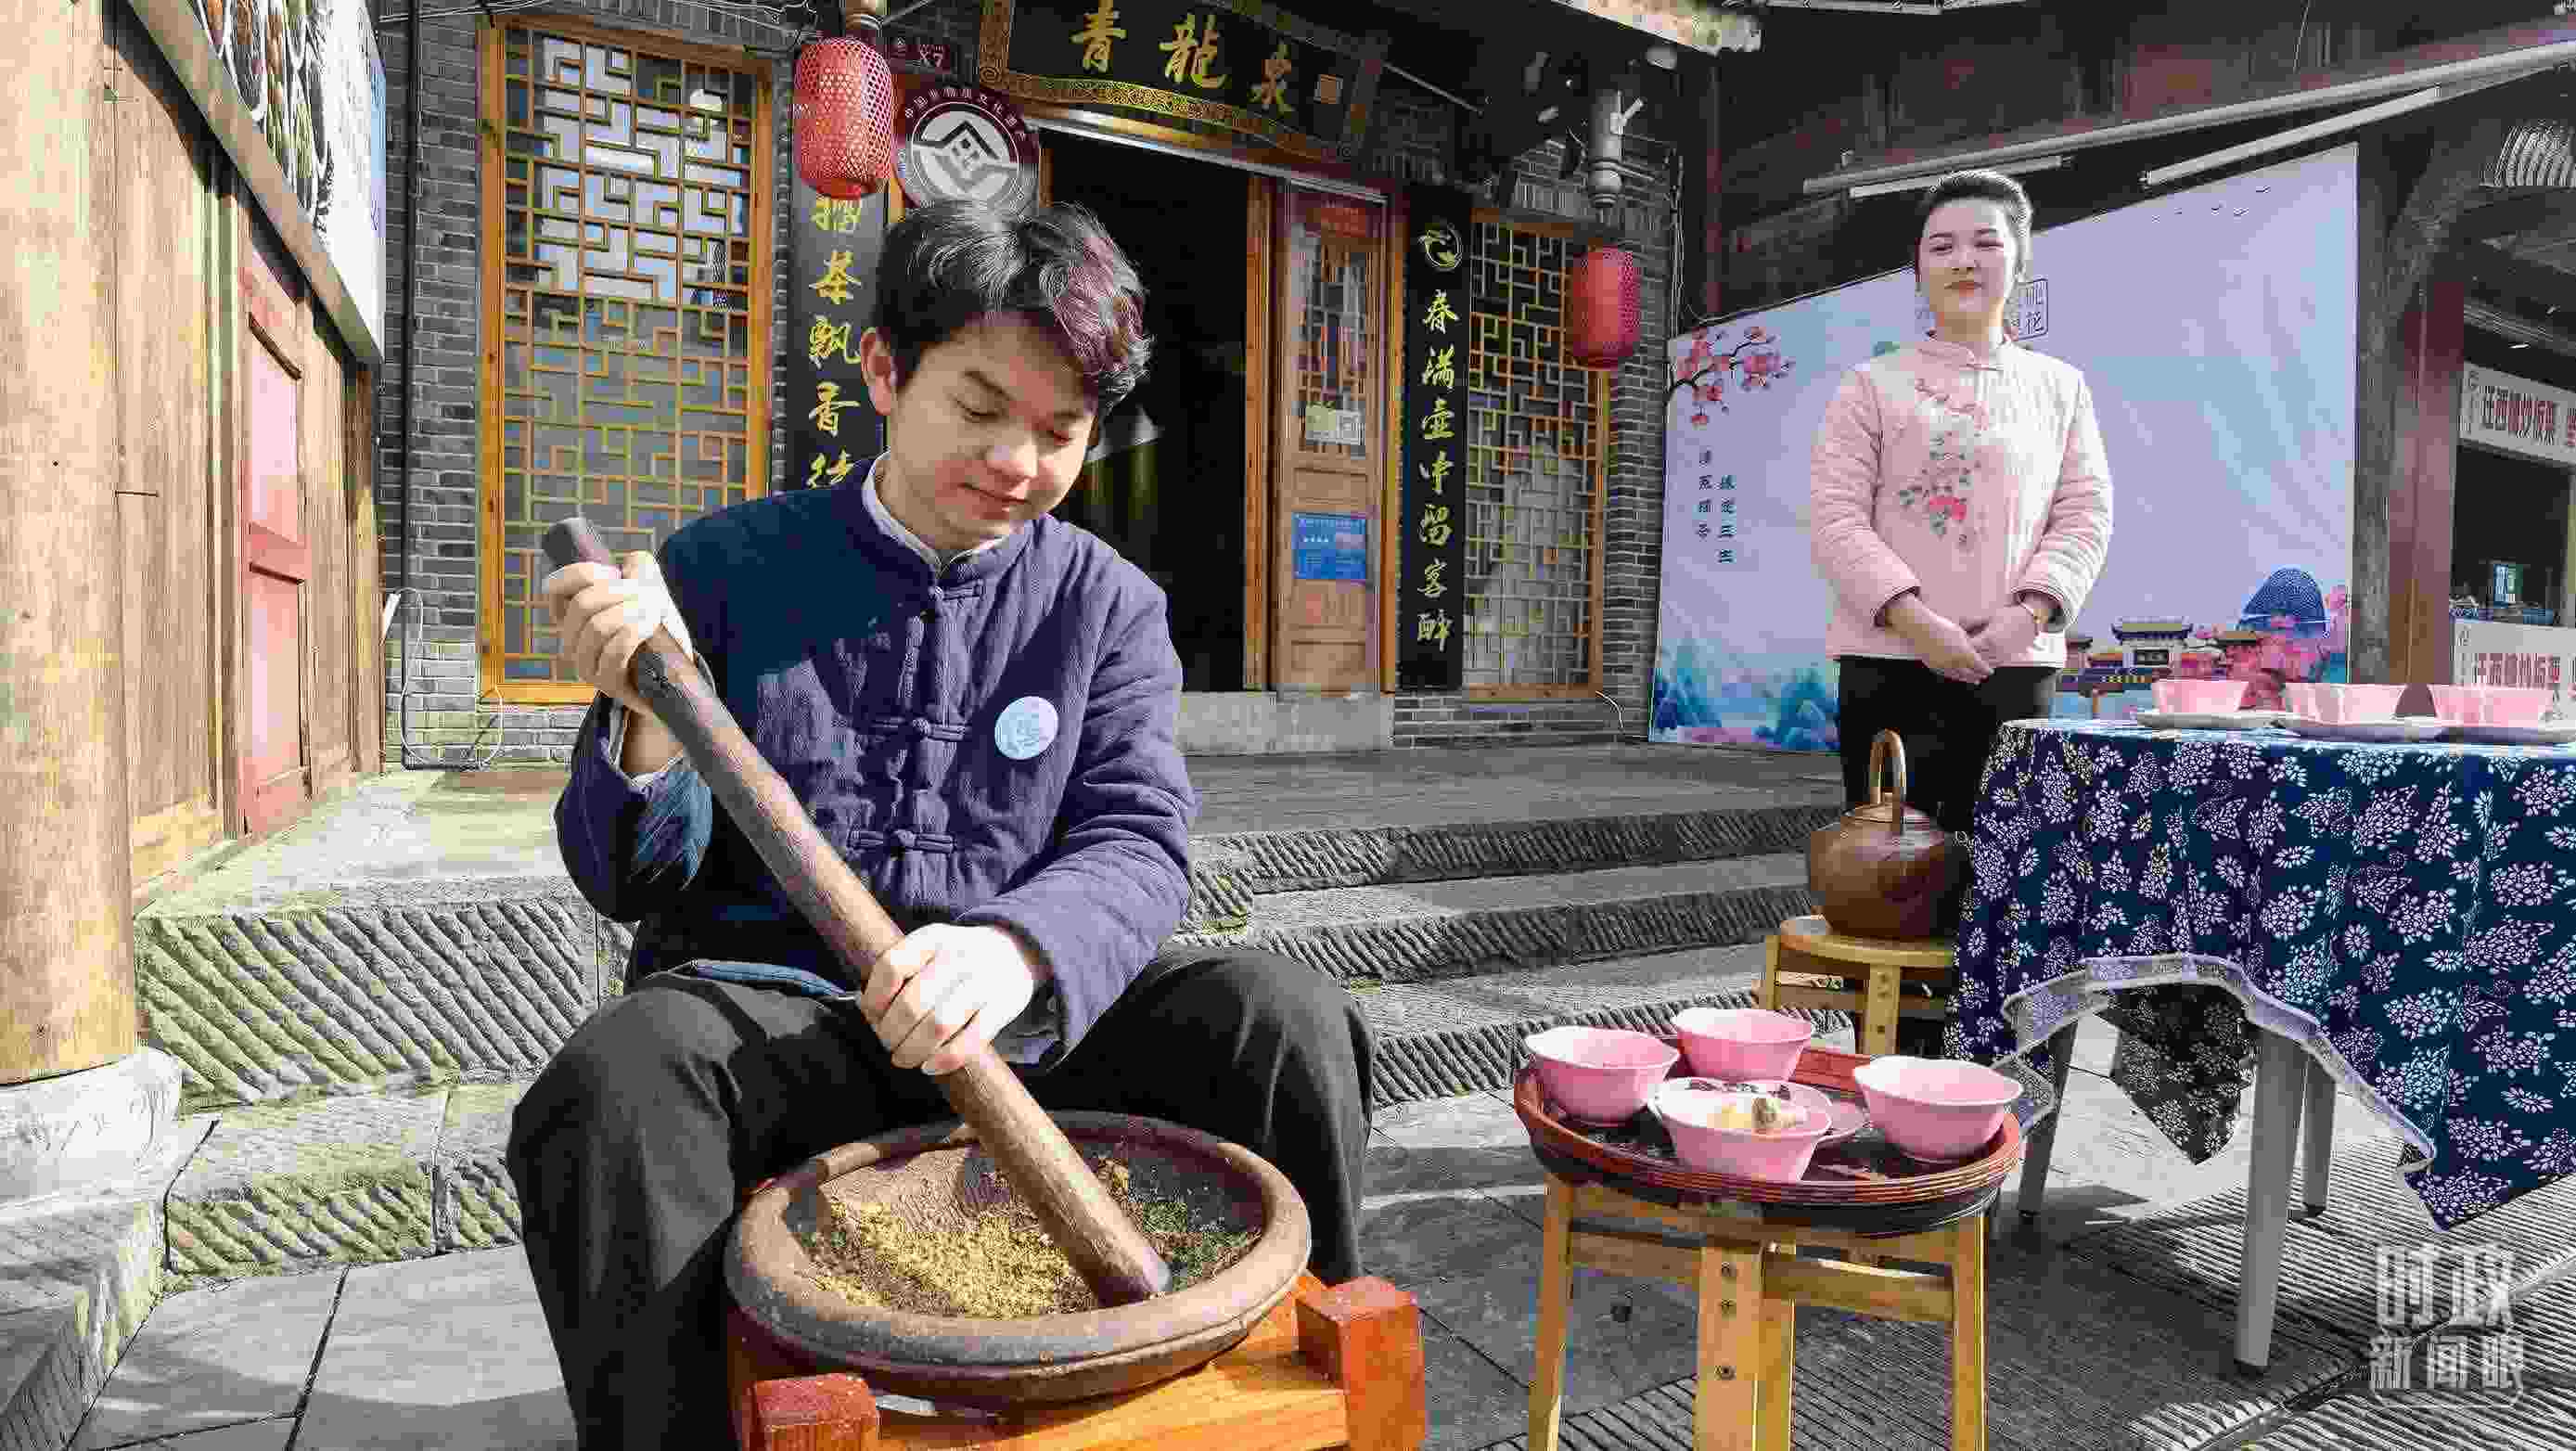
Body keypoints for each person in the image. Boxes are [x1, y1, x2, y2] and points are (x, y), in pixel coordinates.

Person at [507, 199, 1375, 1450]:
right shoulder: (723, 567)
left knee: (1280, 1017)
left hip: (1023, 1036)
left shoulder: (1108, 607)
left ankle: (1299, 1394)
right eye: (978, 408)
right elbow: (623, 879)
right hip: (788, 1028)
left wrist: (1015, 951)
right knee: (618, 1082)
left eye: (1060, 431)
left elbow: (1136, 841)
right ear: (883, 371)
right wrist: (645, 722)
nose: (1017, 461)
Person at [1808, 169, 2113, 1047]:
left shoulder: (2060, 388)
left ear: (2020, 260)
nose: (1963, 260)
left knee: (2005, 875)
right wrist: (1915, 621)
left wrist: (2026, 615)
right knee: (1890, 882)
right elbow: (1834, 517)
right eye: (1941, 246)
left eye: (1985, 242)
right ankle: (1890, 1072)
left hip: (2012, 674)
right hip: (1890, 668)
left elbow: (2084, 512)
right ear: (1917, 270)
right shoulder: (1872, 385)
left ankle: (1986, 1075)